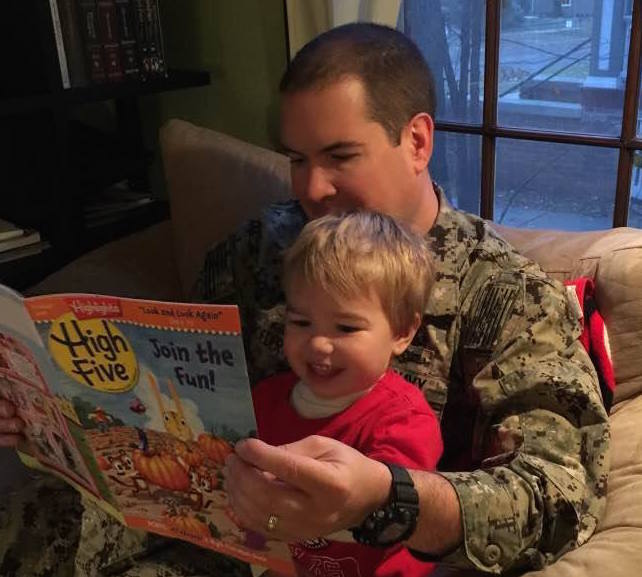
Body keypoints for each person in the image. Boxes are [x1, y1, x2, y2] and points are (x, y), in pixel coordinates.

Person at [0, 21, 609, 577]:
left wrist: (391, 497)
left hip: (350, 551)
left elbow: (559, 492)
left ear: (417, 141)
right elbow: (169, 389)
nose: (312, 189)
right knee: (30, 521)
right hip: (199, 503)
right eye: (297, 159)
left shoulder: (506, 293)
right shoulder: (262, 245)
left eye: (340, 156)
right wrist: (56, 416)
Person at [253, 211, 442, 576]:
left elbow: (394, 513)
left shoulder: (403, 419)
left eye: (346, 327)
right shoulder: (265, 399)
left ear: (402, 332)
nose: (319, 344)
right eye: (301, 322)